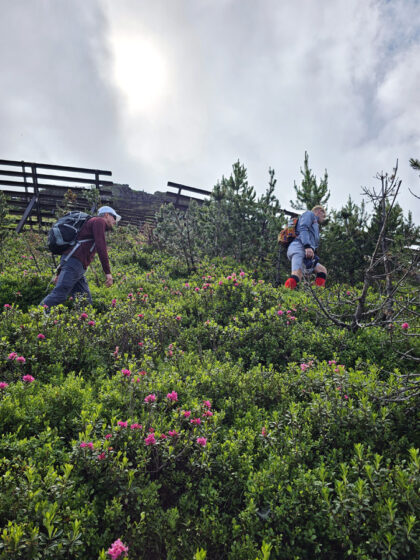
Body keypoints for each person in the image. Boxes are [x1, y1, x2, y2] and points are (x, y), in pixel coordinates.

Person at [41, 206, 121, 310]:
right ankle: (35, 315)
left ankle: (86, 324)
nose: (115, 221)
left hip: (76, 266)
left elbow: (72, 249)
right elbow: (101, 246)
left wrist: (59, 273)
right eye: (114, 217)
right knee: (60, 294)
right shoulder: (99, 221)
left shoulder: (92, 223)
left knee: (84, 300)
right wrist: (108, 273)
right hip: (74, 264)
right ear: (106, 215)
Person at [284, 205, 327, 289]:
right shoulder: (309, 214)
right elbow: (303, 228)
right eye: (323, 215)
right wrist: (307, 246)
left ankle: (316, 295)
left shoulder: (315, 225)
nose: (323, 218)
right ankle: (284, 297)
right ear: (319, 211)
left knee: (322, 270)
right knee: (296, 274)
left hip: (305, 250)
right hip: (299, 247)